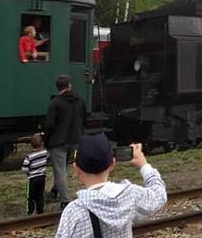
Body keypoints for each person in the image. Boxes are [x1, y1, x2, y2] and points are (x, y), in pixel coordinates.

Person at [54, 133, 167, 238]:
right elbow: (159, 194)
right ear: (112, 164)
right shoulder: (130, 196)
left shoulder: (73, 212)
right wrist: (143, 164)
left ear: (76, 169)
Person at [45, 74, 87, 209]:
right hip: (75, 139)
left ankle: (64, 201)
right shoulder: (79, 100)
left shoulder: (55, 103)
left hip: (58, 141)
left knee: (60, 169)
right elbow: (85, 119)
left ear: (58, 87)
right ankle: (55, 190)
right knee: (65, 167)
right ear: (69, 85)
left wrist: (47, 140)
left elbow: (50, 125)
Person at [22, 134, 49, 215]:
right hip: (42, 177)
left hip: (32, 179)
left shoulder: (29, 157)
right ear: (42, 143)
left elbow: (24, 168)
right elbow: (48, 158)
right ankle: (40, 211)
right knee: (40, 195)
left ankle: (29, 212)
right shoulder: (45, 153)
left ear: (30, 145)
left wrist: (28, 172)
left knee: (30, 197)